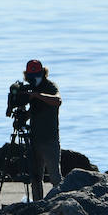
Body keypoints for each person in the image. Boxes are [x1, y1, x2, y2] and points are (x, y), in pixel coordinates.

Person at [22, 59, 62, 201]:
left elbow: (57, 101)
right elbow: (33, 111)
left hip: (49, 139)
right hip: (34, 139)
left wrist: (37, 95)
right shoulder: (31, 87)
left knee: (55, 177)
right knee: (35, 176)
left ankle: (59, 202)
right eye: (31, 76)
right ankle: (37, 203)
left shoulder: (49, 86)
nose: (34, 79)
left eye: (37, 75)